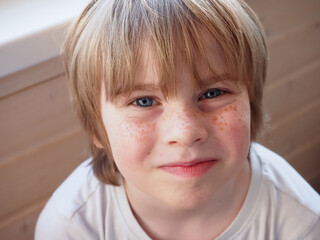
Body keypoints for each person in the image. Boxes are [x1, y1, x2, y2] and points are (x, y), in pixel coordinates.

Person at [35, 0, 320, 239]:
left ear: (251, 104)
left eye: (213, 93)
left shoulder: (300, 222)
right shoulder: (72, 226)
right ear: (95, 126)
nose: (185, 132)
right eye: (143, 101)